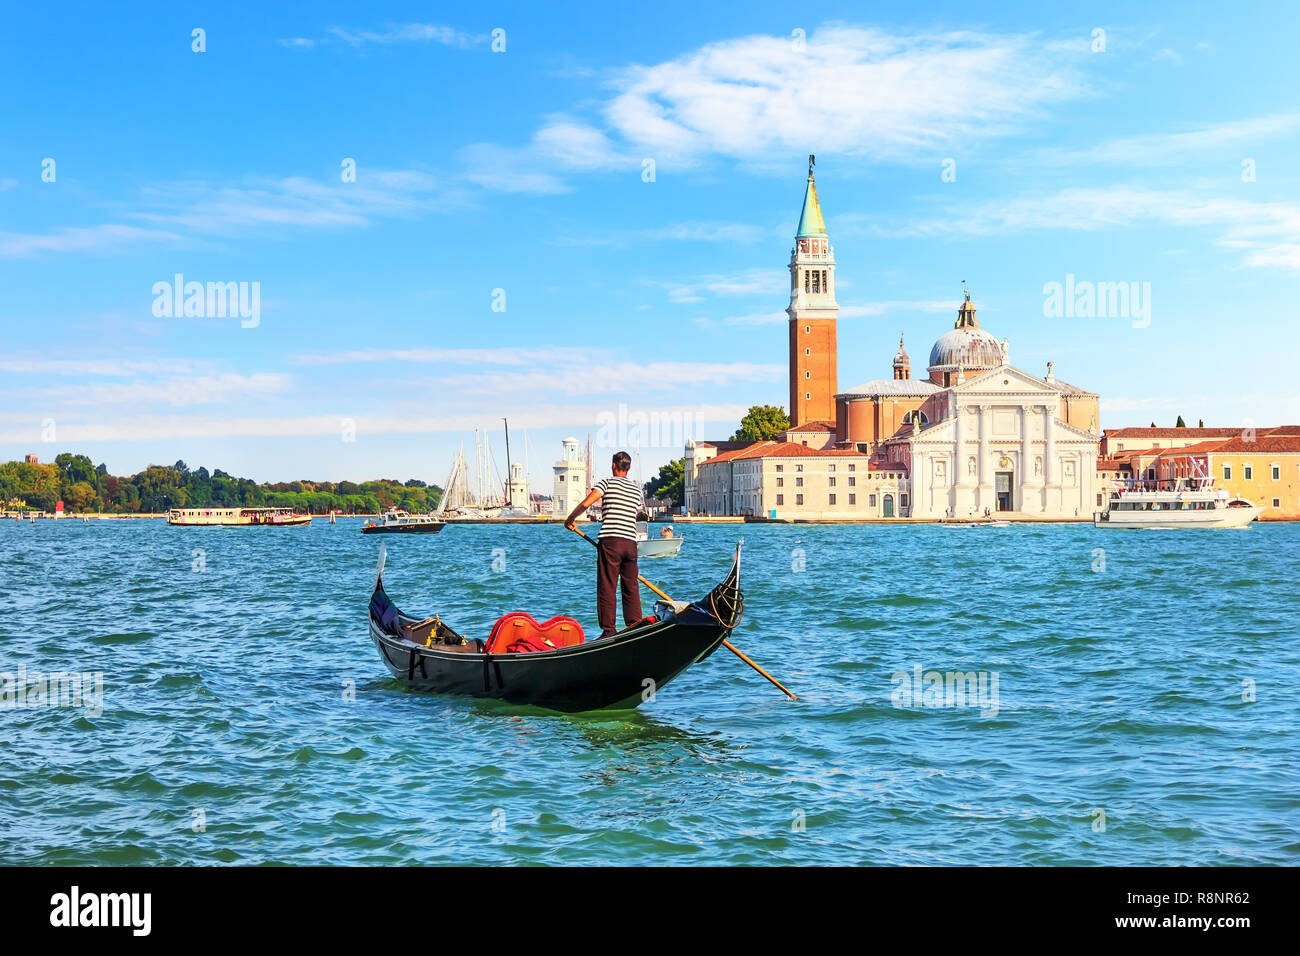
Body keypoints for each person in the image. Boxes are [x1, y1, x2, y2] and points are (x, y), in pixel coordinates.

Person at [565, 451, 646, 637]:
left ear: (613, 465)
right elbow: (634, 514)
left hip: (611, 541)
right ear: (629, 468)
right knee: (631, 586)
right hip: (630, 543)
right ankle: (635, 625)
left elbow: (587, 503)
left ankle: (609, 630)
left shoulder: (607, 483)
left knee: (608, 586)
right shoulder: (636, 489)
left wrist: (570, 519)